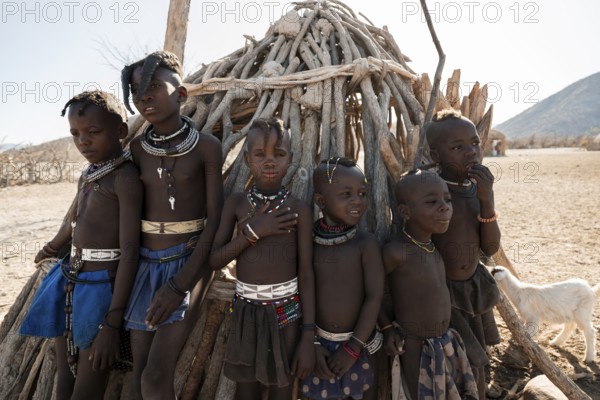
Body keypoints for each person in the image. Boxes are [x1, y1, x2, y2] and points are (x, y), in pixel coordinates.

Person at [20, 90, 142, 400]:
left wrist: (113, 322)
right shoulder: (89, 174)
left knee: (87, 388)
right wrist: (53, 245)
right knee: (65, 376)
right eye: (75, 133)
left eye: (93, 132)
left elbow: (129, 252)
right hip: (69, 280)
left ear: (120, 131)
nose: (82, 141)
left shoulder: (124, 179)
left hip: (100, 290)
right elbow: (73, 220)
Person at [120, 50, 224, 399]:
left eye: (153, 86)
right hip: (146, 263)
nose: (143, 95)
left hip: (190, 259)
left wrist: (180, 285)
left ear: (181, 94)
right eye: (135, 89)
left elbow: (214, 221)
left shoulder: (207, 148)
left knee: (155, 378)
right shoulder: (136, 150)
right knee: (139, 376)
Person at [209, 118, 315, 400]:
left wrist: (308, 334)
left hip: (287, 313)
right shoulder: (236, 203)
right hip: (246, 311)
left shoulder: (298, 210)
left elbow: (306, 274)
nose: (270, 162)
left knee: (282, 389)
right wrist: (254, 232)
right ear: (246, 159)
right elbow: (215, 260)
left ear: (290, 158)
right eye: (260, 154)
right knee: (247, 391)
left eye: (279, 154)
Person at [379, 170, 478, 400]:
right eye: (432, 202)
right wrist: (386, 328)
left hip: (446, 340)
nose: (444, 207)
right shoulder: (398, 252)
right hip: (415, 345)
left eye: (447, 199)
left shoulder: (433, 246)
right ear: (405, 211)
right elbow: (372, 291)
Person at [426, 109, 502, 400]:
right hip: (443, 296)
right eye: (458, 148)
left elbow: (490, 248)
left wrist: (487, 199)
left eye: (474, 144)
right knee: (462, 362)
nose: (470, 153)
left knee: (479, 358)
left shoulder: (476, 191)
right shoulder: (432, 191)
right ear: (436, 155)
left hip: (473, 290)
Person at [300, 157, 384, 400]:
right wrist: (313, 344)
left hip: (360, 344)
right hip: (319, 347)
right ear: (321, 201)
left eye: (362, 193)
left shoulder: (365, 245)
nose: (357, 200)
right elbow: (302, 291)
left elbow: (374, 296)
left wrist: (353, 348)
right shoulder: (309, 244)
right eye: (346, 194)